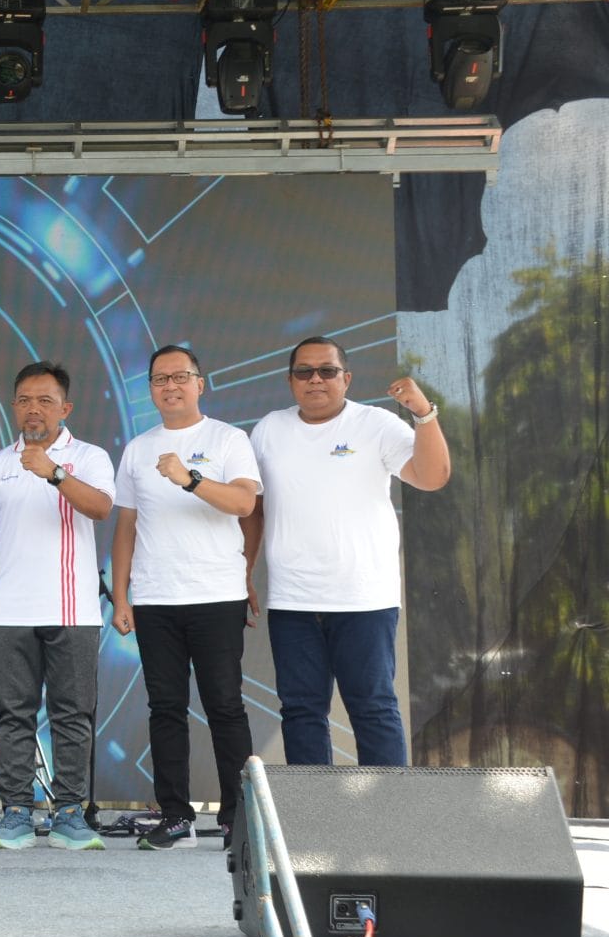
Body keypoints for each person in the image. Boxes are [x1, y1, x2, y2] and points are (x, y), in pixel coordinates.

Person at [244, 336, 451, 766]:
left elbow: (432, 477)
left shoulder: (376, 424)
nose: (315, 379)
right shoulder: (268, 429)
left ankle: (387, 807)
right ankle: (313, 809)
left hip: (364, 599)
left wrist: (423, 414)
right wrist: (243, 572)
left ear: (347, 378)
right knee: (301, 712)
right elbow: (254, 509)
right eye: (304, 372)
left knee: (373, 709)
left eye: (327, 370)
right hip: (293, 601)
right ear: (290, 380)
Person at [110, 345, 260, 851]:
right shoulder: (137, 449)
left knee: (225, 706)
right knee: (165, 708)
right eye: (159, 379)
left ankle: (238, 818)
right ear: (150, 389)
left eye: (180, 376)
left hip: (216, 594)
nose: (170, 386)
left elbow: (244, 502)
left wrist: (190, 478)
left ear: (200, 383)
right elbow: (126, 526)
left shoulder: (228, 438)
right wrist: (121, 596)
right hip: (155, 597)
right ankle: (176, 817)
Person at [0, 360, 114, 851]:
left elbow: (100, 507)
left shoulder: (89, 457)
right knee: (13, 714)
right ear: (14, 407)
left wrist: (52, 471)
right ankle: (15, 812)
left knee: (73, 714)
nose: (35, 409)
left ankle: (70, 813)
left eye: (46, 401)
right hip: (6, 613)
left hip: (71, 611)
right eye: (25, 400)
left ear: (65, 408)